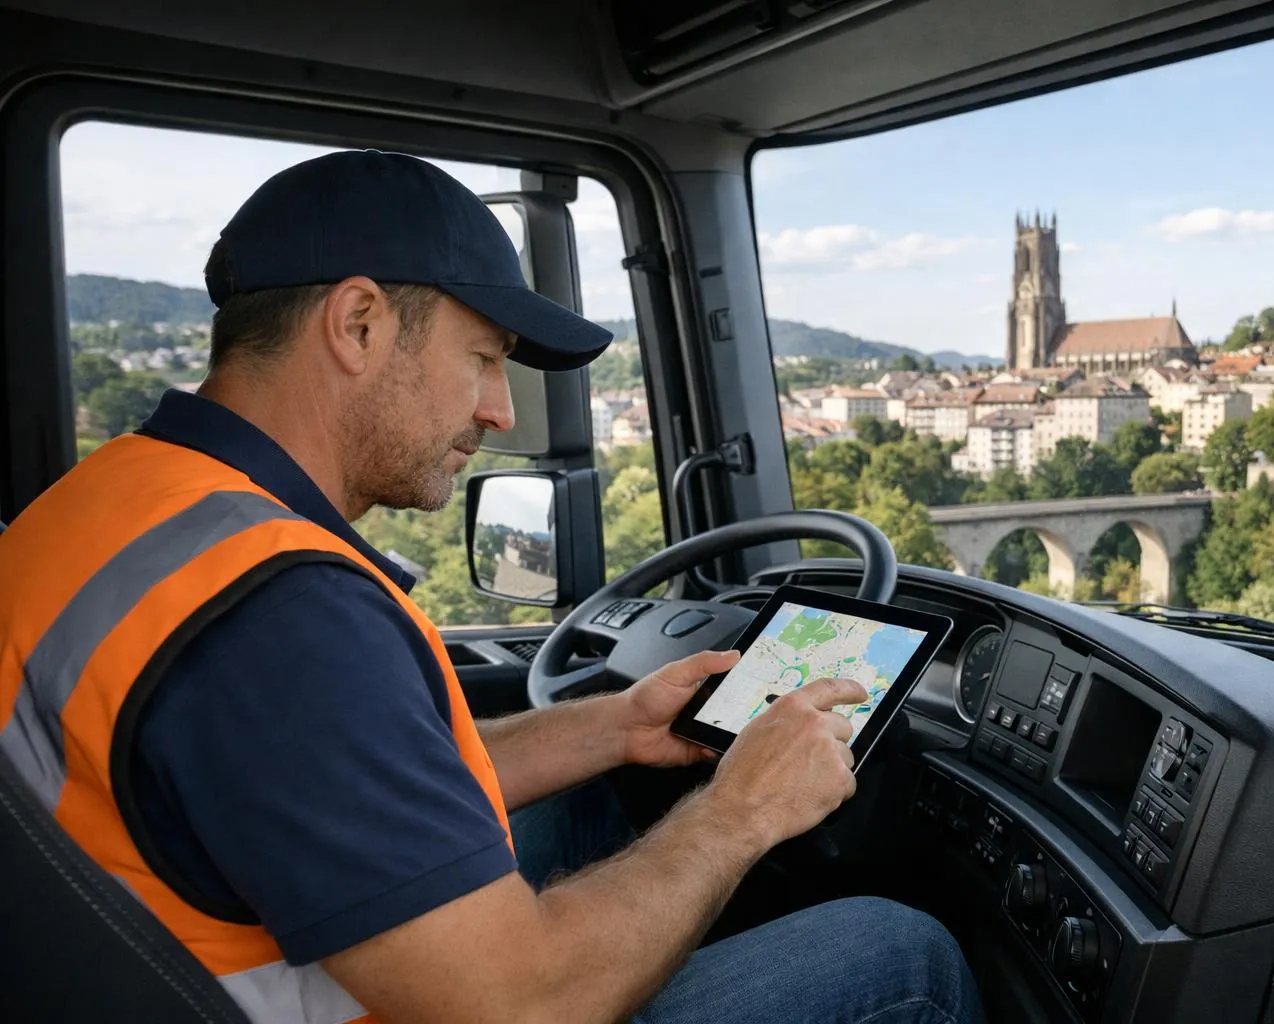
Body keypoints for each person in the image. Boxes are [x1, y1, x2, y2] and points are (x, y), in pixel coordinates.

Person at [0, 150, 982, 1024]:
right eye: (481, 359)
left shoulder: (123, 497)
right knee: (901, 954)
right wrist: (744, 810)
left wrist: (617, 725)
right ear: (357, 323)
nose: (501, 411)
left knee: (587, 809)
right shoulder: (281, 615)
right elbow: (519, 1005)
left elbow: (348, 776)